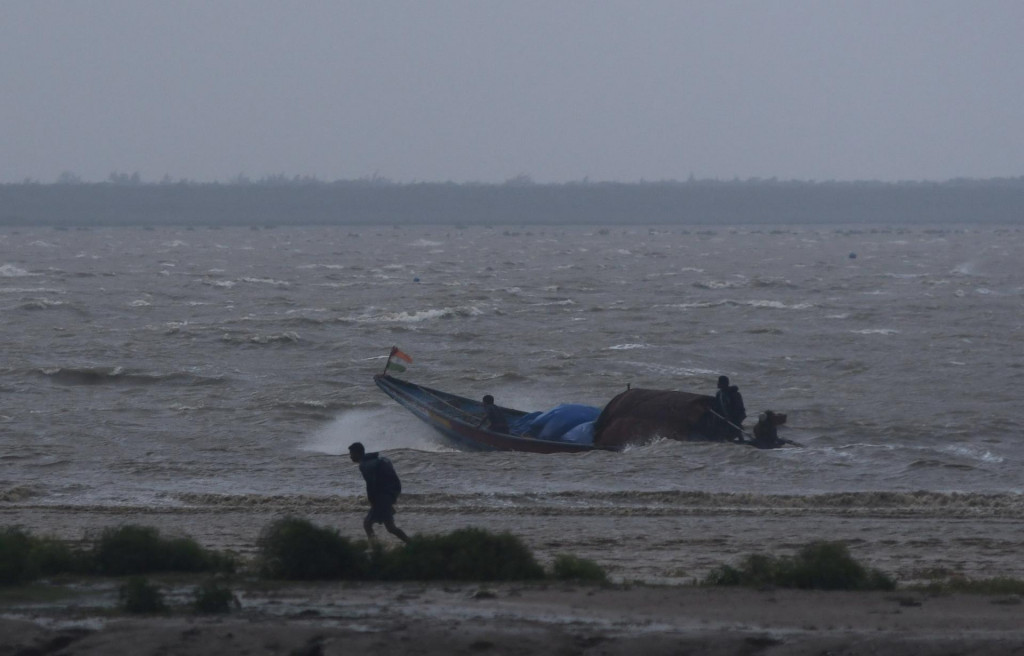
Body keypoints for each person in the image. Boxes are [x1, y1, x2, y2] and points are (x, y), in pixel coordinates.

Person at [348, 442, 410, 544]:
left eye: (351, 453)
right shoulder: (374, 460)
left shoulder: (364, 465)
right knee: (390, 528)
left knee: (369, 524)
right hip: (390, 492)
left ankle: (375, 548)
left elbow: (371, 485)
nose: (350, 456)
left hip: (383, 496)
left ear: (357, 453)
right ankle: (412, 544)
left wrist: (373, 502)